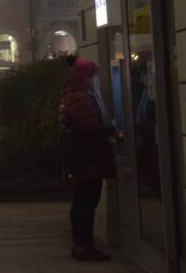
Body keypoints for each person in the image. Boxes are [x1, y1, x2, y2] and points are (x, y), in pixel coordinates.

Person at [60, 59, 116, 262]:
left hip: (82, 156)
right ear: (87, 77)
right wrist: (110, 129)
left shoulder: (73, 94)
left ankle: (80, 243)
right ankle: (84, 245)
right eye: (94, 75)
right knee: (87, 201)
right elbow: (89, 128)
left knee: (82, 201)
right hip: (87, 157)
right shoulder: (80, 97)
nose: (96, 79)